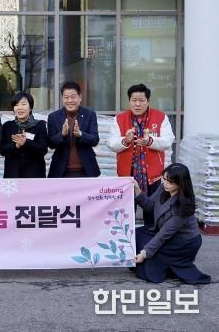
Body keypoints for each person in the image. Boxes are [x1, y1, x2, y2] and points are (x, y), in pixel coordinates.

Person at [108, 84, 175, 225]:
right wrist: (125, 141)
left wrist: (149, 141)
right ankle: (127, 238)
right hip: (127, 176)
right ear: (129, 101)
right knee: (126, 214)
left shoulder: (161, 117)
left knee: (152, 214)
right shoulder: (119, 119)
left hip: (154, 176)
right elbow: (111, 143)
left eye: (141, 100)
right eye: (134, 100)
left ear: (148, 101)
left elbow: (168, 140)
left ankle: (151, 238)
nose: (137, 104)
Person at [133, 163, 211, 284]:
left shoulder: (183, 207)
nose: (165, 183)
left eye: (170, 182)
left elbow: (163, 235)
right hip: (164, 233)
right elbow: (149, 206)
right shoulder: (163, 188)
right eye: (164, 179)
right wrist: (137, 190)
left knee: (149, 262)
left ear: (180, 184)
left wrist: (144, 254)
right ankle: (162, 263)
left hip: (182, 243)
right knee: (136, 234)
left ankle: (170, 264)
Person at [47, 81, 100, 178]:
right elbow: (51, 143)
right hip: (61, 171)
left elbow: (95, 139)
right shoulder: (53, 117)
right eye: (66, 97)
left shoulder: (90, 115)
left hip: (86, 170)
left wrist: (80, 134)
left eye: (73, 97)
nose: (70, 100)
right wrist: (62, 135)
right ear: (62, 99)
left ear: (80, 98)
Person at [0, 92, 48, 178]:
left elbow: (43, 150)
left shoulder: (40, 125)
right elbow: (2, 150)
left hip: (34, 175)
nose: (20, 108)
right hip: (12, 174)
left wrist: (26, 143)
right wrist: (16, 145)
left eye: (23, 104)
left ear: (30, 107)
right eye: (16, 105)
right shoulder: (7, 126)